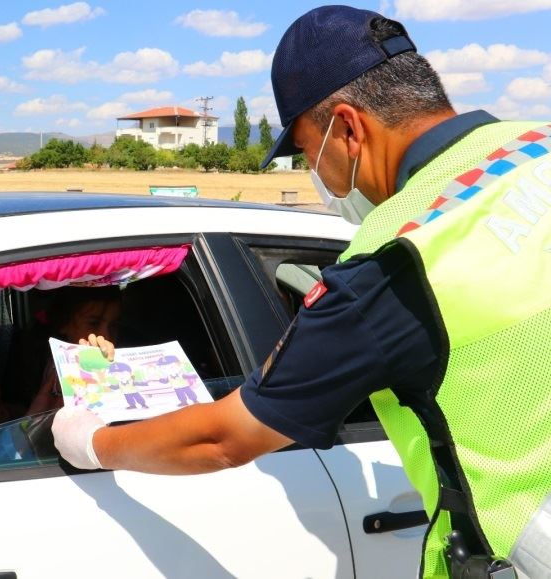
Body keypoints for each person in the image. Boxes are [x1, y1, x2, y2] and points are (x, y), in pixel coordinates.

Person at [52, 6, 551, 579]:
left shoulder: (394, 262)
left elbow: (224, 440)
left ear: (348, 128)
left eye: (307, 151)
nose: (319, 177)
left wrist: (92, 443)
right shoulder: (536, 148)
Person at [19, 285, 121, 415]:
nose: (106, 335)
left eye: (114, 325)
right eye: (93, 323)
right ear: (63, 324)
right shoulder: (60, 370)